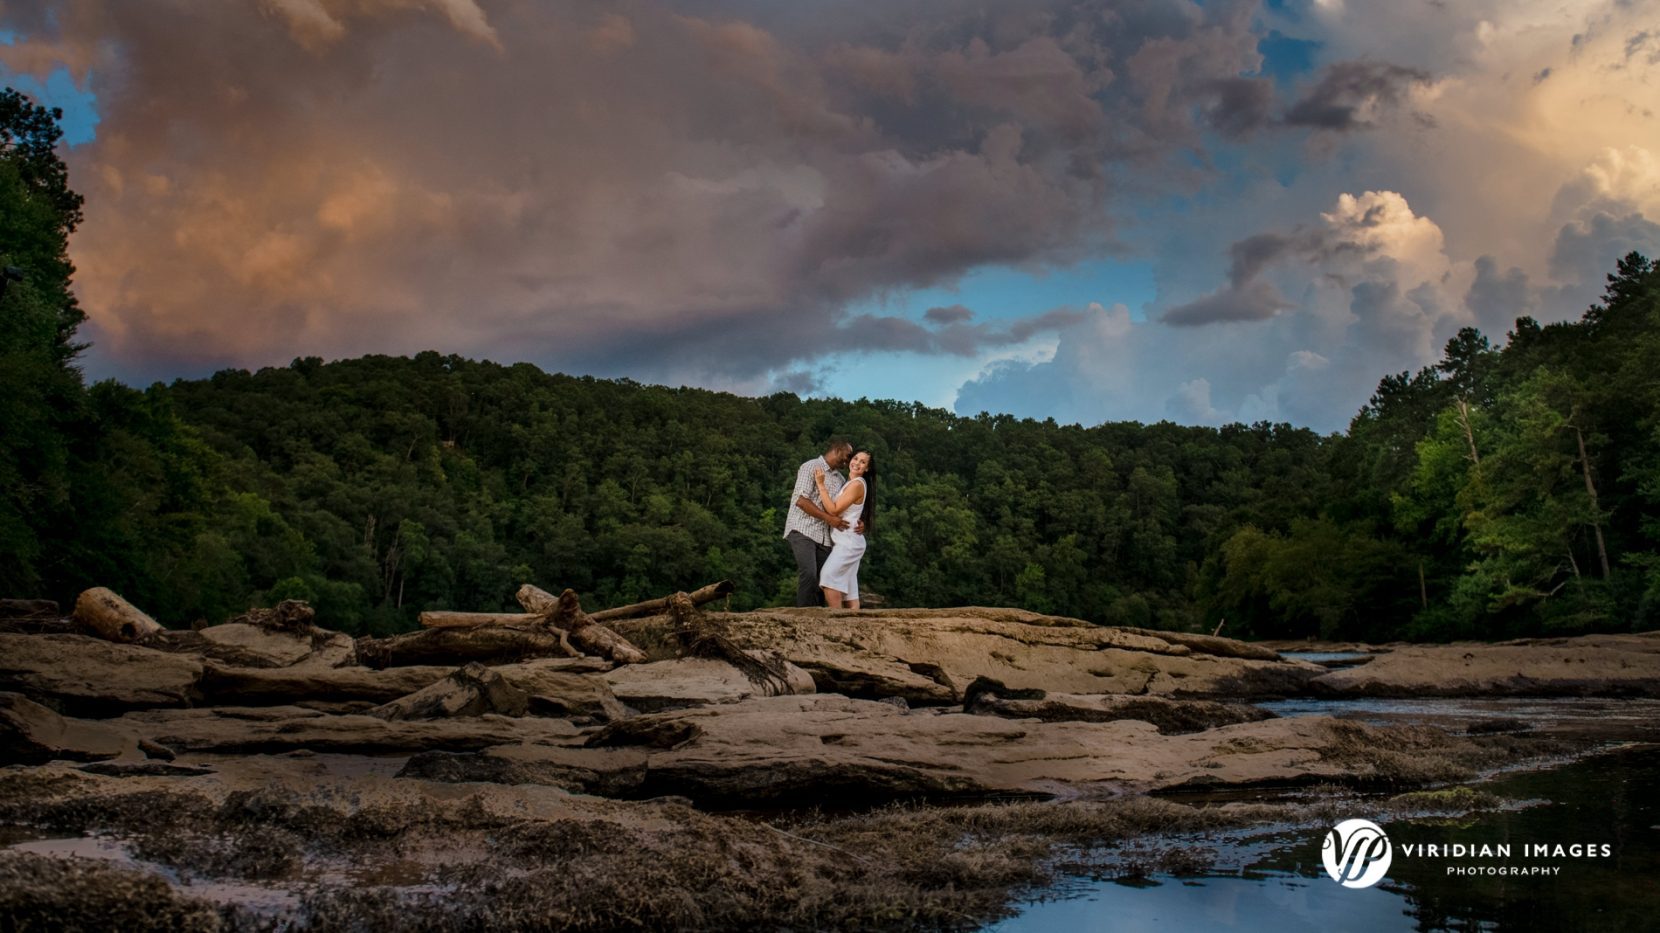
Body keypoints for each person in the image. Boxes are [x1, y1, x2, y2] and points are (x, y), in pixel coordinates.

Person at [783, 439, 852, 606]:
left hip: (825, 537)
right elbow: (801, 501)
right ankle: (803, 617)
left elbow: (842, 508)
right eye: (847, 456)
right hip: (802, 529)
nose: (848, 461)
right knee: (809, 573)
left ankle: (819, 618)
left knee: (825, 579)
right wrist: (828, 518)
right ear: (836, 449)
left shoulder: (840, 479)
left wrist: (859, 523)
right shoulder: (810, 466)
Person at [814, 449, 874, 610]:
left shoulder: (856, 485)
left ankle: (837, 621)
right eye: (856, 458)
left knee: (828, 577)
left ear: (867, 468)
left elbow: (833, 510)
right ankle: (855, 624)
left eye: (863, 462)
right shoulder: (850, 483)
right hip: (848, 540)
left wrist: (821, 485)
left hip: (849, 542)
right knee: (849, 590)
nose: (857, 463)